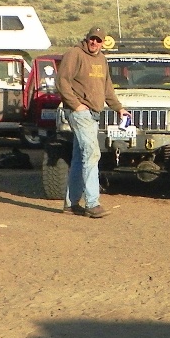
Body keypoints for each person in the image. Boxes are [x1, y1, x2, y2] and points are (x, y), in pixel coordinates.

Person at [57, 27, 129, 218]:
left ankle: (71, 204)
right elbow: (62, 81)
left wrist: (119, 108)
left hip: (94, 115)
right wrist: (76, 105)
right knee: (92, 154)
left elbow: (107, 89)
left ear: (103, 42)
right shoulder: (75, 54)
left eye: (98, 40)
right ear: (87, 38)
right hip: (80, 114)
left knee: (80, 159)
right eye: (92, 39)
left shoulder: (102, 59)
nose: (94, 43)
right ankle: (92, 203)